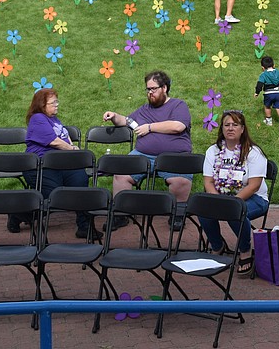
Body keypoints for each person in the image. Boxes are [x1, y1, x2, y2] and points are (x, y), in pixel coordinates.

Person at [102, 70, 193, 217]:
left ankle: (177, 215)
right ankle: (120, 214)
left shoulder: (178, 105)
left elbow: (178, 126)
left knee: (180, 181)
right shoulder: (144, 109)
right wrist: (114, 116)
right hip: (142, 155)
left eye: (154, 89)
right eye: (148, 89)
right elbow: (127, 121)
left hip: (174, 156)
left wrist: (149, 127)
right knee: (121, 174)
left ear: (164, 88)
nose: (150, 92)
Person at [201, 110, 269, 274]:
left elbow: (253, 185)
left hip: (255, 199)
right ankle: (218, 246)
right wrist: (219, 202)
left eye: (235, 125)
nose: (231, 128)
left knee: (235, 212)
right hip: (222, 198)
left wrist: (231, 204)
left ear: (242, 129)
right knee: (204, 211)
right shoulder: (213, 151)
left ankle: (245, 250)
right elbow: (208, 181)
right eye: (227, 125)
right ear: (222, 129)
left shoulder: (253, 153)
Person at [18, 88, 91, 237]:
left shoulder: (54, 119)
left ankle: (84, 226)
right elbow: (55, 142)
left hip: (62, 164)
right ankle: (19, 214)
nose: (57, 105)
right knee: (53, 197)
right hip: (42, 166)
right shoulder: (37, 119)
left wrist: (73, 150)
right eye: (53, 102)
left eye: (57, 101)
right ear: (42, 105)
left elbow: (65, 137)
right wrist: (73, 150)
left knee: (80, 181)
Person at [255, 55, 279, 130]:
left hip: (269, 94)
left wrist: (257, 92)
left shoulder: (263, 75)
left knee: (267, 106)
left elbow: (259, 84)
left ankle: (269, 121)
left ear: (263, 68)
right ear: (274, 65)